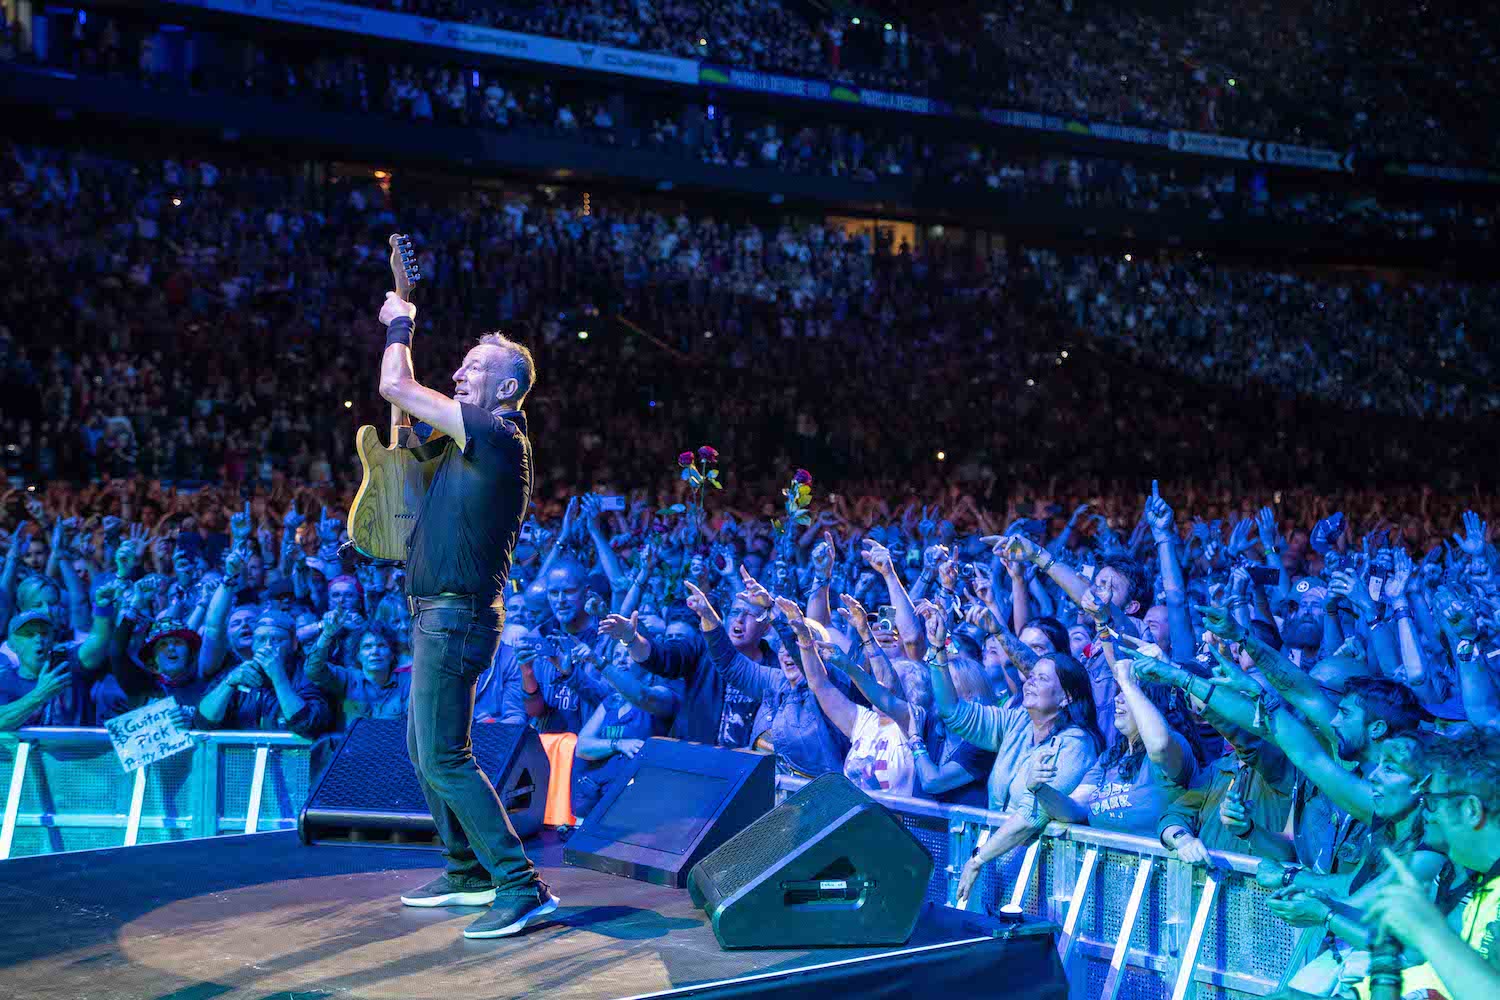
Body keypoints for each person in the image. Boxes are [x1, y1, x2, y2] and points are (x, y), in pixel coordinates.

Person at [376, 273, 556, 938]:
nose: (459, 372)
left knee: (445, 755)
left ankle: (518, 883)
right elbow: (400, 437)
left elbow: (397, 386)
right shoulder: (463, 444)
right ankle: (466, 870)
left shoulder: (498, 436)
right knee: (425, 750)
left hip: (456, 617)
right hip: (434, 616)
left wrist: (402, 321)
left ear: (507, 388)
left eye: (475, 366)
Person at [1363, 728, 1500, 1000]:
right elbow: (1443, 978)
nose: (1431, 816)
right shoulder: (1488, 888)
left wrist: (1427, 928)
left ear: (1470, 810)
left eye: (1433, 802)